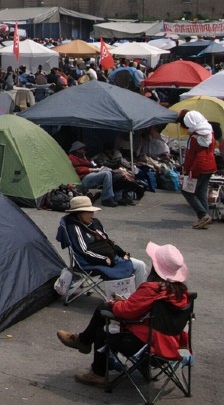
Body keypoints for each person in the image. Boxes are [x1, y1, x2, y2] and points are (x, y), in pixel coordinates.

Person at [56, 242, 191, 387]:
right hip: (172, 343)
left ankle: (96, 369)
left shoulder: (152, 289)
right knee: (106, 313)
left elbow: (126, 312)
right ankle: (84, 342)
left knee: (104, 319)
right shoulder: (181, 293)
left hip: (147, 345)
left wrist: (115, 302)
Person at [59, 195, 148, 289]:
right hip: (92, 262)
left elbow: (107, 242)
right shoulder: (75, 228)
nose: (92, 214)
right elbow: (84, 251)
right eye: (89, 212)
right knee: (139, 266)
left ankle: (138, 297)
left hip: (111, 257)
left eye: (92, 211)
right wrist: (104, 259)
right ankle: (135, 299)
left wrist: (122, 253)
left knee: (141, 265)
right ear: (78, 214)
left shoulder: (94, 223)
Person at [178, 109, 216, 229]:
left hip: (199, 168)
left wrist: (192, 172)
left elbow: (199, 158)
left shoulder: (197, 137)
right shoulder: (209, 133)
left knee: (187, 191)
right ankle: (204, 217)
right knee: (201, 193)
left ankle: (203, 214)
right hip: (209, 167)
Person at [68, 141, 129, 207]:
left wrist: (99, 168)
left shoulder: (85, 157)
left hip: (93, 174)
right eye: (82, 149)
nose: (84, 150)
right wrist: (91, 169)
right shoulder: (72, 157)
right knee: (107, 174)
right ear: (77, 149)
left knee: (118, 175)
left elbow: (93, 164)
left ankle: (118, 197)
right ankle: (106, 198)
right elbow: (77, 169)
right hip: (84, 177)